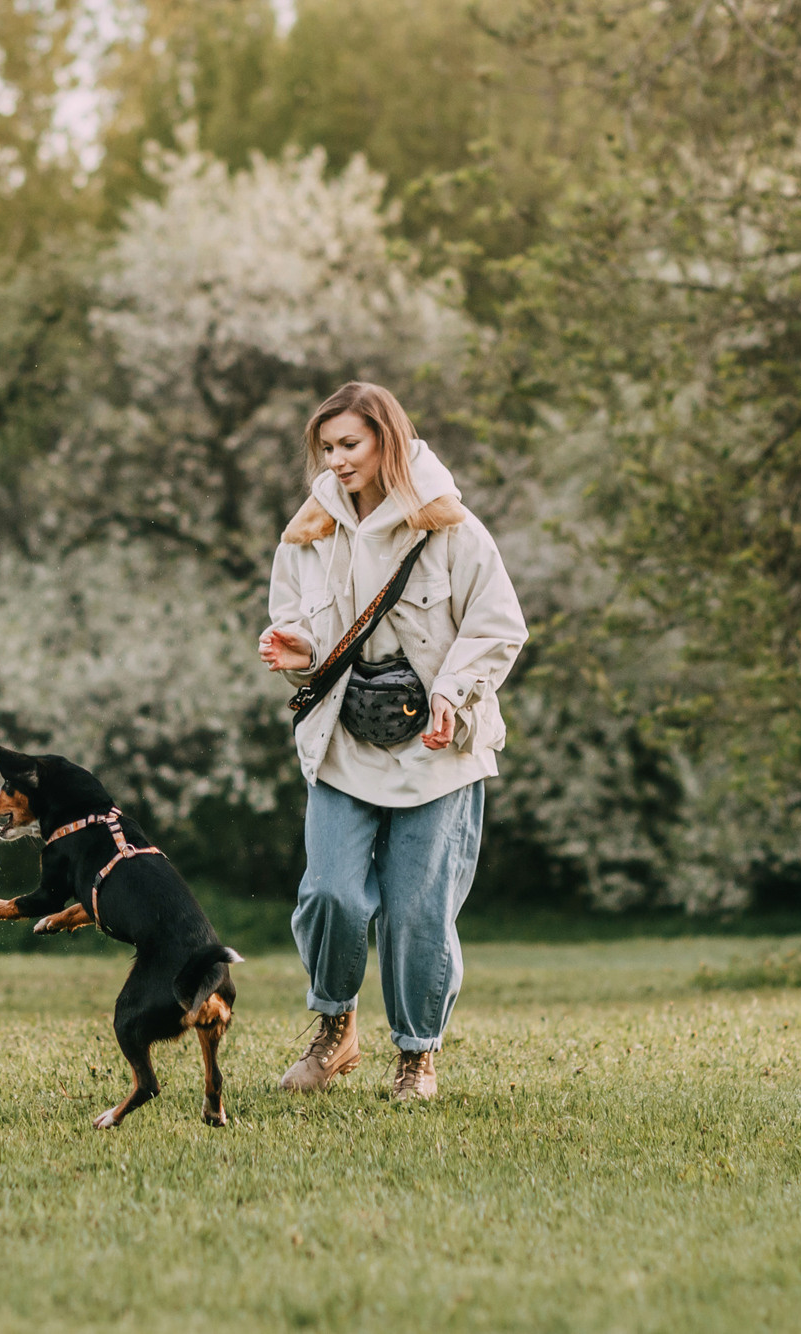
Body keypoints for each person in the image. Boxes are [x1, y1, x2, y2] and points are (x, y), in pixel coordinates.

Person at [258, 381, 528, 1101]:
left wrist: (452, 692)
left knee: (418, 911)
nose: (337, 460)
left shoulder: (452, 528)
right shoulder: (308, 532)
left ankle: (417, 1055)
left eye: (350, 444)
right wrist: (295, 647)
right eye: (327, 448)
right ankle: (336, 1031)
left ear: (388, 441)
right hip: (344, 739)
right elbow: (298, 621)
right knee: (331, 896)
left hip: (438, 743)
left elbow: (499, 624)